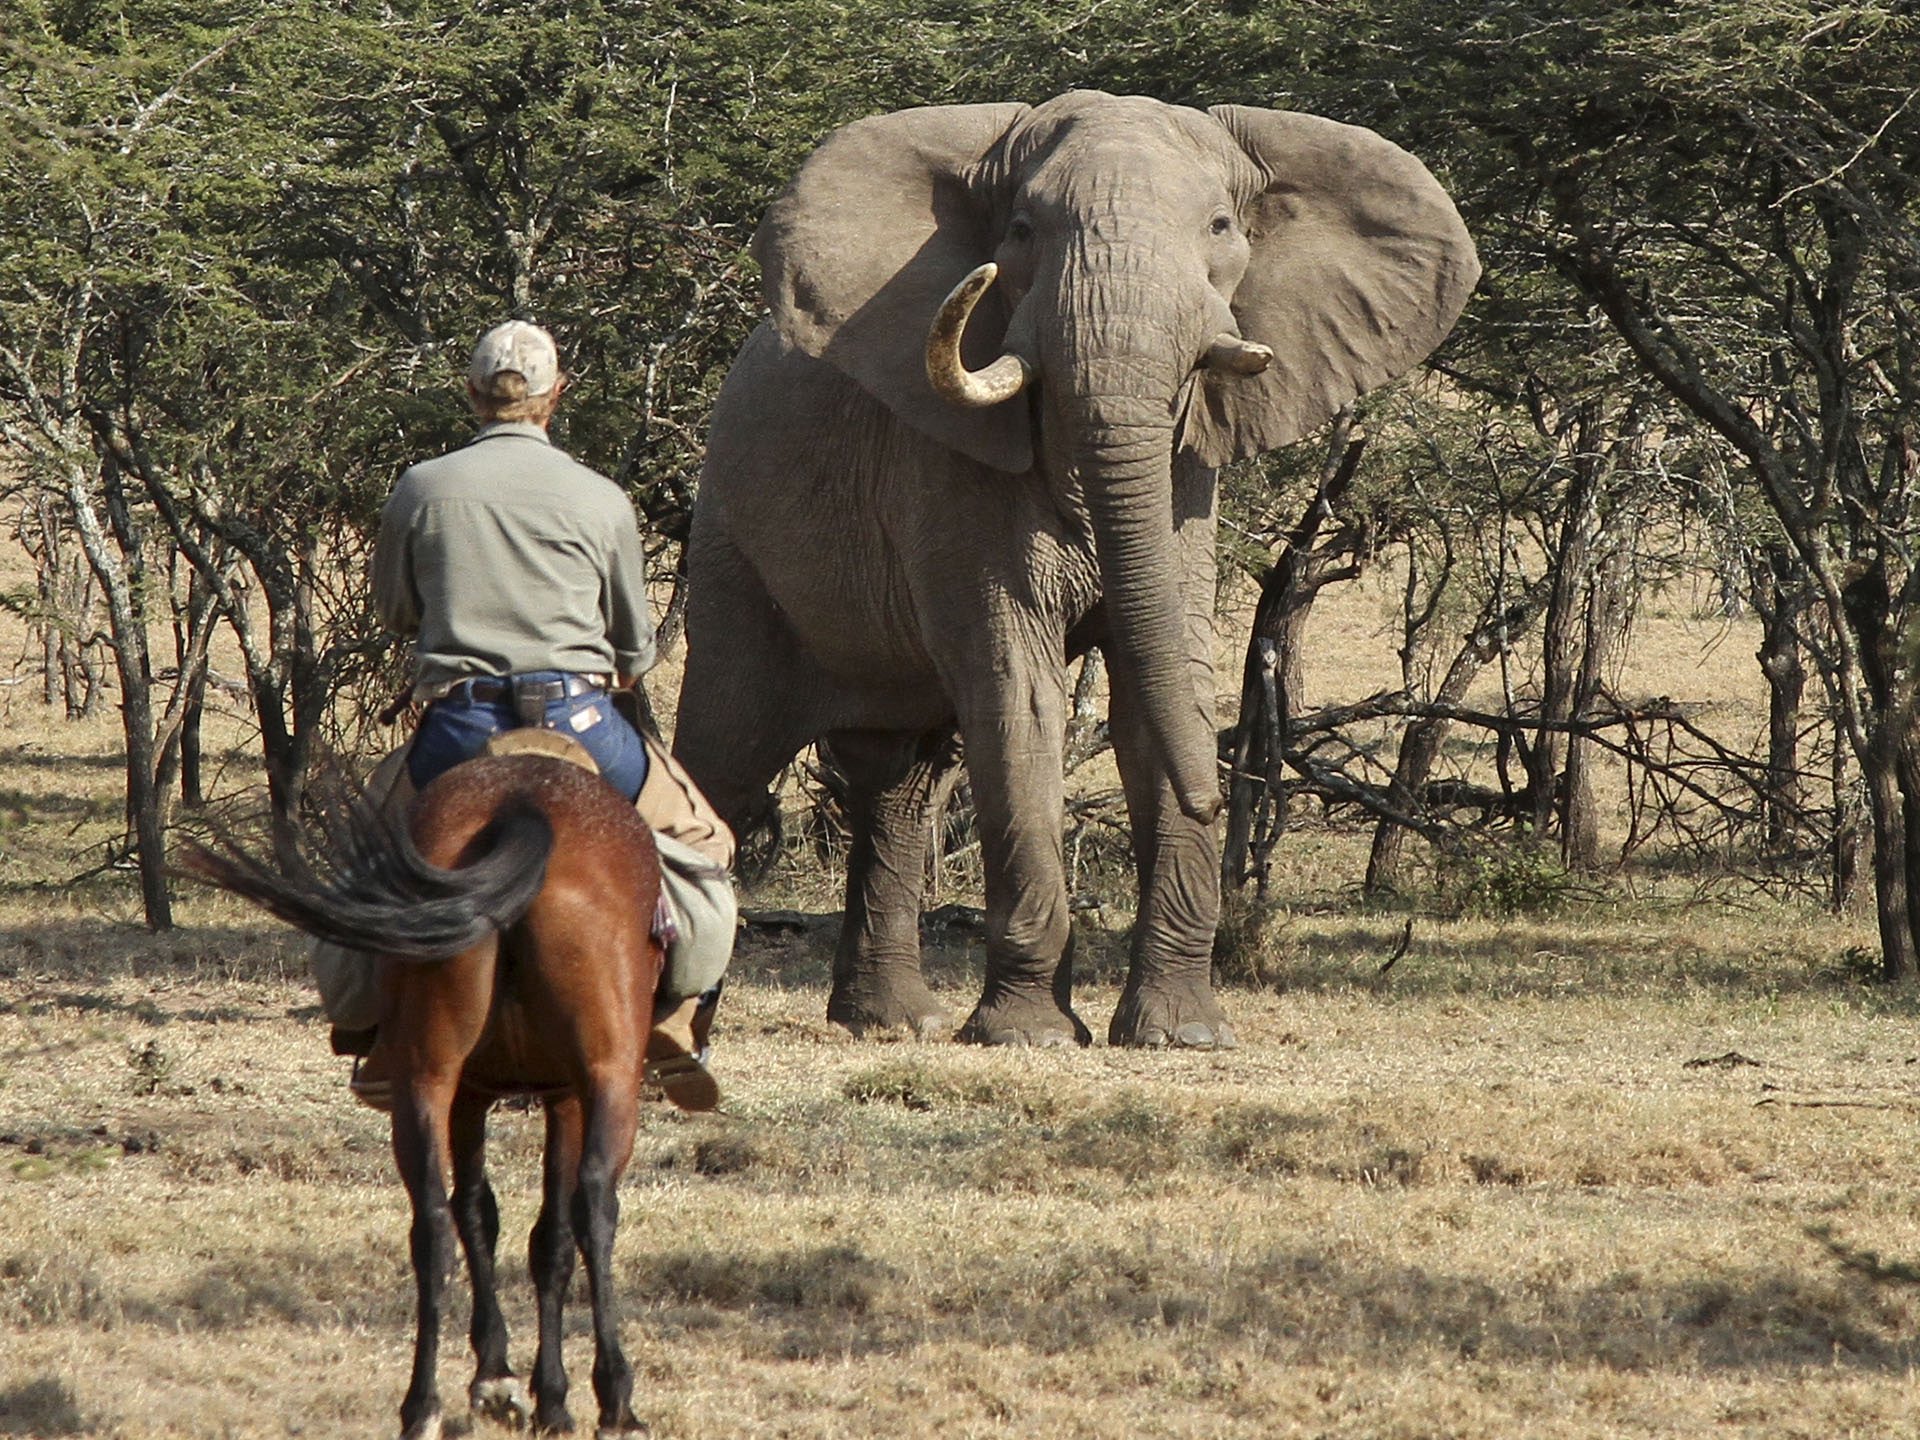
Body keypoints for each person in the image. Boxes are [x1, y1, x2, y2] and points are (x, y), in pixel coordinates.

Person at [328, 319, 731, 1111]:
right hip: (582, 719)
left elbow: (395, 612)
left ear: (472, 394)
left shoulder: (422, 487)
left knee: (365, 867)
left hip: (460, 728)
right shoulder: (601, 497)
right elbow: (635, 646)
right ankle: (678, 1019)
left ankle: (374, 1036)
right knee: (703, 842)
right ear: (557, 397)